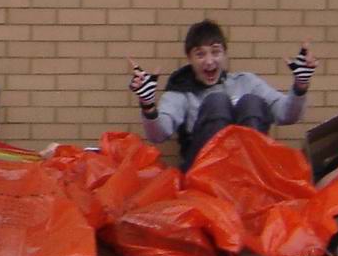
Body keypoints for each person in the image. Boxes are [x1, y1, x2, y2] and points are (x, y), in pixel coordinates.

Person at [130, 20, 318, 168]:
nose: (209, 61)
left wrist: (300, 85)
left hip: (247, 170)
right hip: (203, 171)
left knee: (251, 102)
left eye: (215, 52)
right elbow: (158, 134)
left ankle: (249, 176)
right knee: (217, 102)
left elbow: (287, 114)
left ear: (225, 54)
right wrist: (148, 104)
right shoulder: (182, 92)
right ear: (190, 59)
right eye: (200, 54)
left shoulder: (245, 82)